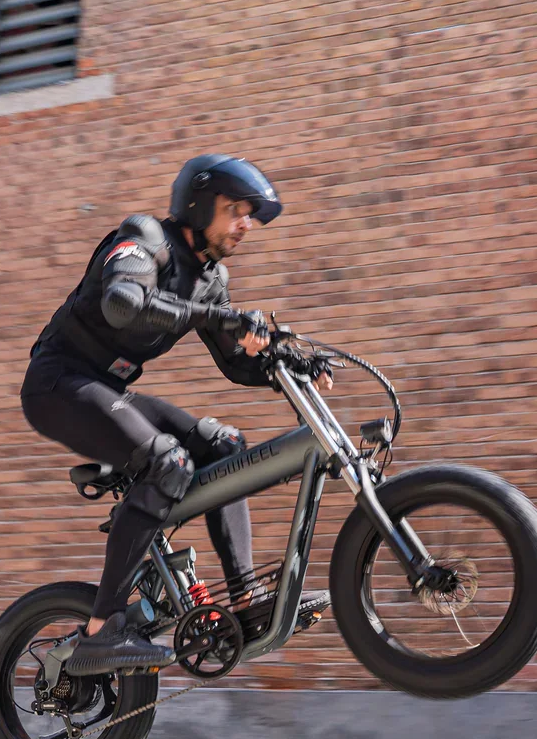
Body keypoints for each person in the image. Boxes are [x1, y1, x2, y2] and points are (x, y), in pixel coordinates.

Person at [20, 154, 331, 675]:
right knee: (169, 463)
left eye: (250, 214)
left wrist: (287, 361)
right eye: (235, 210)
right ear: (199, 204)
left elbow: (235, 365)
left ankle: (245, 600)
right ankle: (103, 632)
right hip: (59, 383)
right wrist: (220, 316)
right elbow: (124, 301)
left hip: (108, 388)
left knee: (226, 445)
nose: (245, 225)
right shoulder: (146, 238)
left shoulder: (211, 279)